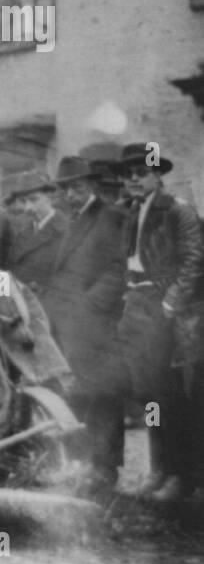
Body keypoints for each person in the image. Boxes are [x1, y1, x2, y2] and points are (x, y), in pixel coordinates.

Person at [114, 142, 204, 503]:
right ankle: (159, 468)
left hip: (165, 310)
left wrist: (169, 305)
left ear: (157, 175)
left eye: (141, 172)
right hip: (137, 305)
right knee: (148, 395)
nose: (134, 180)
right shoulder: (133, 211)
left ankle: (183, 475)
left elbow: (193, 261)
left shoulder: (177, 211)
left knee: (173, 396)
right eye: (128, 174)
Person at [41, 156, 128, 499]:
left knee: (104, 395)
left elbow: (120, 270)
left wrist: (91, 304)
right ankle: (82, 466)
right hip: (70, 328)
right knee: (78, 396)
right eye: (65, 188)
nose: (71, 194)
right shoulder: (72, 221)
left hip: (100, 326)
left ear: (92, 186)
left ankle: (106, 469)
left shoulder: (112, 217)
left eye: (77, 187)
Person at [8, 169, 68, 296]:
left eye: (33, 199)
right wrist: (2, 297)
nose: (28, 208)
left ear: (50, 196)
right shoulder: (21, 231)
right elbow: (6, 270)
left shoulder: (67, 231)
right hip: (20, 307)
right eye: (24, 201)